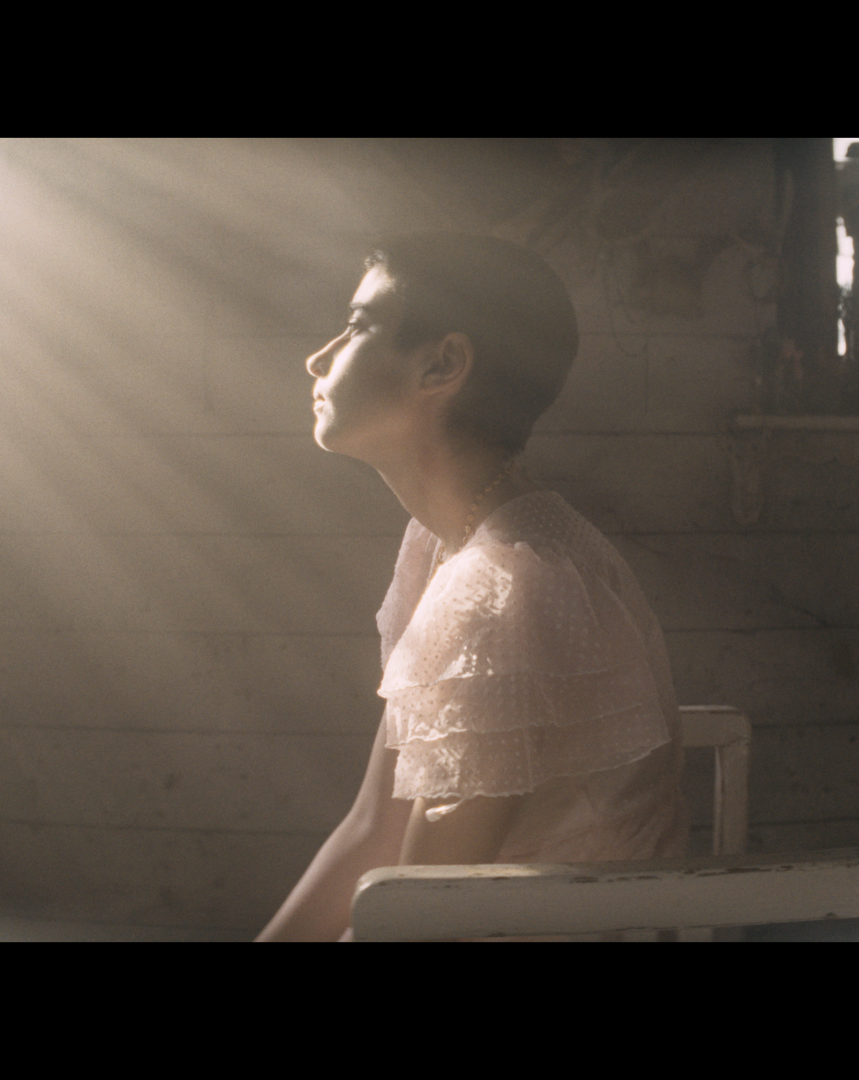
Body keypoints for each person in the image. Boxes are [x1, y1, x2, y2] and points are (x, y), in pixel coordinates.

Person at [256, 233, 689, 942]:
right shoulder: (456, 544)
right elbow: (375, 829)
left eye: (359, 325)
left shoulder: (503, 587)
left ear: (444, 364)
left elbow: (420, 919)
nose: (320, 357)